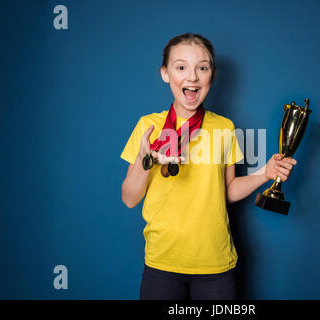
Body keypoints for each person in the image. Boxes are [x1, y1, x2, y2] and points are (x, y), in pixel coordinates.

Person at [120, 32, 297, 300]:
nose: (192, 77)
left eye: (202, 68)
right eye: (181, 67)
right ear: (165, 73)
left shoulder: (224, 128)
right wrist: (147, 161)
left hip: (215, 262)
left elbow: (227, 191)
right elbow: (129, 199)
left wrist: (265, 173)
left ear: (211, 76)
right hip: (161, 261)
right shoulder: (148, 127)